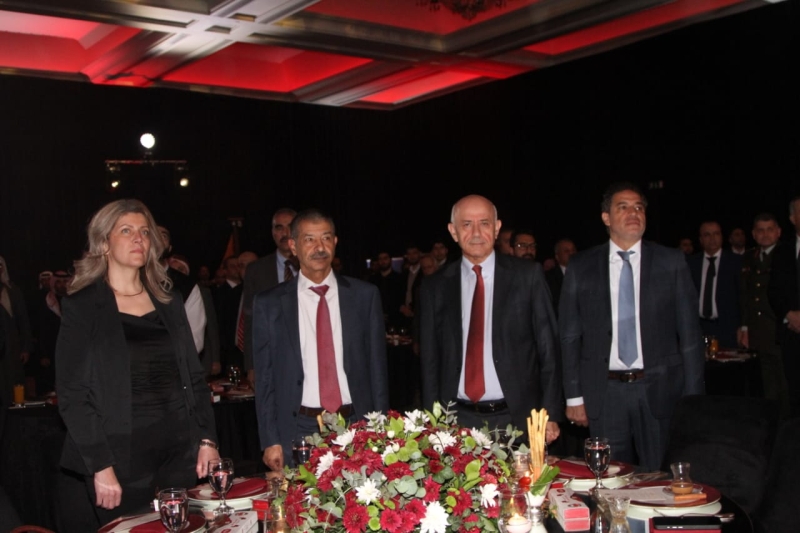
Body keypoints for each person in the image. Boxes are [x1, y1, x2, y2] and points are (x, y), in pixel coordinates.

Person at [55, 199, 219, 526]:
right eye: (126, 231)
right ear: (104, 243)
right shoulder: (83, 306)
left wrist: (207, 440)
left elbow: (194, 377)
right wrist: (100, 466)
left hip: (179, 452)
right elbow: (73, 395)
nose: (138, 239)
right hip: (119, 457)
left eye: (144, 232)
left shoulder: (168, 300)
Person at [559, 182, 704, 470]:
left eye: (638, 207)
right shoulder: (581, 266)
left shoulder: (671, 262)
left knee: (661, 477)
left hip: (660, 390)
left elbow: (690, 335)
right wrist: (574, 396)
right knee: (611, 477)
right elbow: (569, 335)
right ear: (606, 217)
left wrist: (694, 399)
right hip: (605, 393)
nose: (633, 213)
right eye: (623, 207)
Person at [419, 195, 562, 442]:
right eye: (467, 224)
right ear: (453, 231)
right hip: (456, 422)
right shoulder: (435, 287)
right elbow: (430, 361)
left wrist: (549, 412)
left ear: (496, 228)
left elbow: (549, 349)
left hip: (517, 418)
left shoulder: (527, 277)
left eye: (484, 223)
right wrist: (432, 419)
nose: (476, 232)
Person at [253, 209, 388, 470]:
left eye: (326, 238)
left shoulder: (364, 296)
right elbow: (265, 378)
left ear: (335, 242)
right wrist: (270, 439)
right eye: (309, 240)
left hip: (356, 423)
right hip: (299, 427)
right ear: (293, 246)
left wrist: (379, 428)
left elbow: (378, 370)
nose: (319, 247)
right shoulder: (270, 304)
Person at [740, 213, 789, 418]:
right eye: (760, 230)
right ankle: (773, 426)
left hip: (781, 330)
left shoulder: (787, 255)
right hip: (758, 331)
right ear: (753, 234)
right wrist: (744, 326)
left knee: (785, 385)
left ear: (778, 232)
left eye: (770, 229)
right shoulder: (749, 257)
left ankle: (788, 427)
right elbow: (746, 295)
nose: (765, 234)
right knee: (766, 387)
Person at [242, 208, 297, 385]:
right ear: (273, 232)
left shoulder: (312, 266)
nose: (285, 233)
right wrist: (251, 365)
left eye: (290, 227)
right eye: (279, 228)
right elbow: (250, 319)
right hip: (271, 357)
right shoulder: (256, 270)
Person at [768, 196, 800, 417]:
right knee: (794, 395)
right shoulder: (782, 251)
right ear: (792, 218)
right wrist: (790, 315)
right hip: (791, 334)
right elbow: (774, 291)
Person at [687, 221, 743, 348]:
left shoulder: (735, 262)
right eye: (707, 235)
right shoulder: (691, 264)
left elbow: (743, 297)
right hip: (699, 328)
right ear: (701, 239)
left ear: (722, 237)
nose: (712, 238)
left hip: (728, 328)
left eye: (716, 234)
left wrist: (743, 326)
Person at [0, 256, 32, 404]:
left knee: (13, 391)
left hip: (11, 350)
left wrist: (26, 347)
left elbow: (24, 321)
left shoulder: (12, 291)